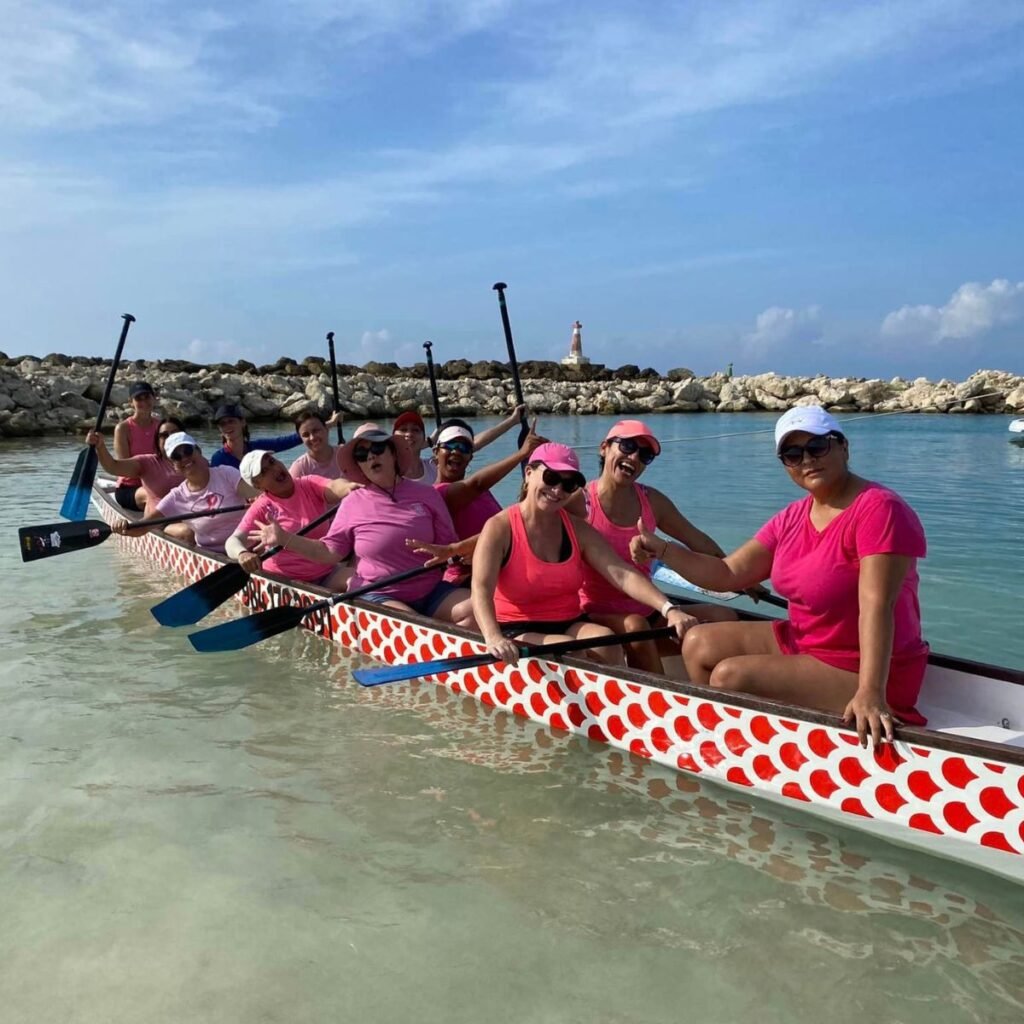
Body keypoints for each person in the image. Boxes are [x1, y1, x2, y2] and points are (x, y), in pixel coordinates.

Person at [632, 406, 929, 747]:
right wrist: (663, 549)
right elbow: (728, 572)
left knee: (730, 676)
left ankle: (751, 748)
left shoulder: (879, 509)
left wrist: (870, 692)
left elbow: (878, 605)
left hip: (869, 666)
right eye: (792, 454)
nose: (807, 460)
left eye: (818, 447)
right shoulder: (793, 516)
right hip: (805, 640)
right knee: (699, 642)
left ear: (843, 447)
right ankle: (724, 743)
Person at [472, 442, 697, 667]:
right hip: (518, 627)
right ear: (529, 474)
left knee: (607, 642)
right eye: (551, 478)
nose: (558, 490)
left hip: (569, 621)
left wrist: (669, 609)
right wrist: (493, 638)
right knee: (574, 654)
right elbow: (481, 589)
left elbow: (623, 575)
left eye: (568, 484)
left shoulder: (577, 529)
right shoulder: (499, 528)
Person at [255, 423, 475, 625]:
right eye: (362, 454)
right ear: (359, 465)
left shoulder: (428, 494)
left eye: (377, 449)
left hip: (429, 589)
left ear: (393, 454)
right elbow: (329, 552)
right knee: (413, 623)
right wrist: (285, 539)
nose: (370, 456)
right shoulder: (352, 502)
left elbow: (449, 546)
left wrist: (454, 556)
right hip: (380, 593)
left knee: (478, 610)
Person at [569, 420, 738, 675]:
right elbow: (531, 523)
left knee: (724, 616)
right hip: (594, 615)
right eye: (627, 446)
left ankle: (723, 690)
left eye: (644, 454)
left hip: (648, 609)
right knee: (636, 627)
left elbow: (697, 540)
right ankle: (663, 702)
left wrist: (739, 575)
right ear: (604, 448)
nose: (634, 457)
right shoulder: (577, 502)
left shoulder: (651, 500)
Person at [225, 450, 361, 589]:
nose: (274, 469)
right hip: (285, 583)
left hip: (326, 573)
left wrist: (348, 487)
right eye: (264, 471)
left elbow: (334, 486)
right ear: (258, 486)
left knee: (369, 581)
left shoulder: (308, 484)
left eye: (272, 462)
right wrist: (242, 554)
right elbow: (233, 541)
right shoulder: (262, 507)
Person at [114, 432, 258, 549]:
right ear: (174, 465)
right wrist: (124, 528)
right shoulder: (176, 497)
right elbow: (144, 526)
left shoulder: (226, 474)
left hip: (247, 547)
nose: (184, 458)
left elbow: (258, 493)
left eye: (188, 451)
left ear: (199, 451)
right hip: (213, 554)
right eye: (177, 457)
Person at [391, 405, 530, 484]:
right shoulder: (386, 471)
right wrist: (427, 442)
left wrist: (512, 421)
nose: (409, 434)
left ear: (423, 437)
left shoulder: (435, 465)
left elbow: (474, 443)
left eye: (415, 430)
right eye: (403, 430)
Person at [87, 417, 185, 514]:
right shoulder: (148, 462)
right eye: (164, 435)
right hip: (162, 520)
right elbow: (112, 466)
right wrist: (100, 447)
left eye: (175, 433)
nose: (170, 438)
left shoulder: (194, 460)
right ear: (157, 441)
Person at [209, 403, 303, 469]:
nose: (227, 426)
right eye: (222, 424)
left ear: (243, 422)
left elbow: (284, 442)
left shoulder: (256, 448)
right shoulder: (219, 458)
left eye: (231, 421)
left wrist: (309, 433)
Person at [112, 381, 160, 510]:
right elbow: (124, 467)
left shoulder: (161, 426)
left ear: (154, 398)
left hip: (159, 483)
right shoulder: (123, 428)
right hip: (129, 488)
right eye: (139, 398)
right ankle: (152, 527)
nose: (144, 402)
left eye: (147, 397)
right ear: (130, 402)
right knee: (153, 495)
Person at [289, 409, 348, 480]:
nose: (312, 438)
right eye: (306, 435)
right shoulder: (300, 468)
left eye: (316, 431)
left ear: (326, 429)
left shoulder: (346, 454)